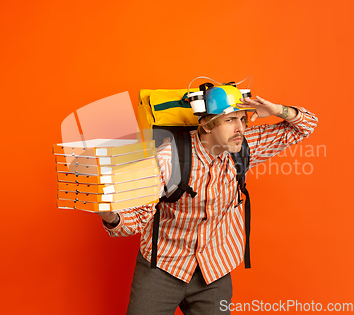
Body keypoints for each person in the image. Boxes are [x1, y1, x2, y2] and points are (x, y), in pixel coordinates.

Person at [96, 89, 318, 315]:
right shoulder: (168, 158)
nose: (240, 128)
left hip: (214, 268)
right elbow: (137, 218)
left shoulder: (243, 148)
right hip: (163, 266)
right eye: (230, 120)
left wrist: (277, 110)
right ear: (208, 125)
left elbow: (307, 125)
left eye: (242, 119)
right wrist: (110, 216)